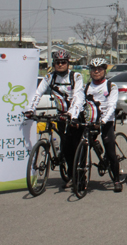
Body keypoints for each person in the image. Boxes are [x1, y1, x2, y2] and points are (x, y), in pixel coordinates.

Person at [24, 49, 84, 188]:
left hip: (75, 115)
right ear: (54, 63)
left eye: (63, 62)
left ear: (68, 63)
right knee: (66, 145)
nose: (60, 65)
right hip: (61, 115)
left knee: (75, 147)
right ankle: (70, 174)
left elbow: (78, 97)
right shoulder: (49, 77)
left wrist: (71, 114)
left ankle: (80, 176)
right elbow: (38, 93)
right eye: (58, 62)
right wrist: (30, 109)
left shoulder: (76, 76)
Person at [68, 57, 122, 192]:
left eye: (99, 69)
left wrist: (103, 121)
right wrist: (74, 117)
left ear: (104, 70)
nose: (96, 71)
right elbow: (78, 102)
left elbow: (111, 106)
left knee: (110, 151)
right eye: (93, 69)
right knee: (82, 150)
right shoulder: (86, 87)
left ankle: (116, 179)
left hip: (106, 122)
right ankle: (81, 178)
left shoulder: (111, 86)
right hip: (89, 121)